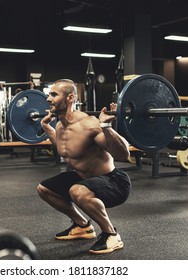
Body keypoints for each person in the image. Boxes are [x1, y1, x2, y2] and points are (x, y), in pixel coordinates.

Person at [37, 79, 131, 254]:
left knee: (77, 190)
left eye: (54, 94)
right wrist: (46, 127)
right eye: (49, 94)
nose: (48, 99)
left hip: (114, 182)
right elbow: (66, 148)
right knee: (44, 189)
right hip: (84, 178)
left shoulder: (88, 124)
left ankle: (111, 234)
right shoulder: (59, 125)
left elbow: (123, 155)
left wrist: (106, 126)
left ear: (70, 98)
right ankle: (83, 227)